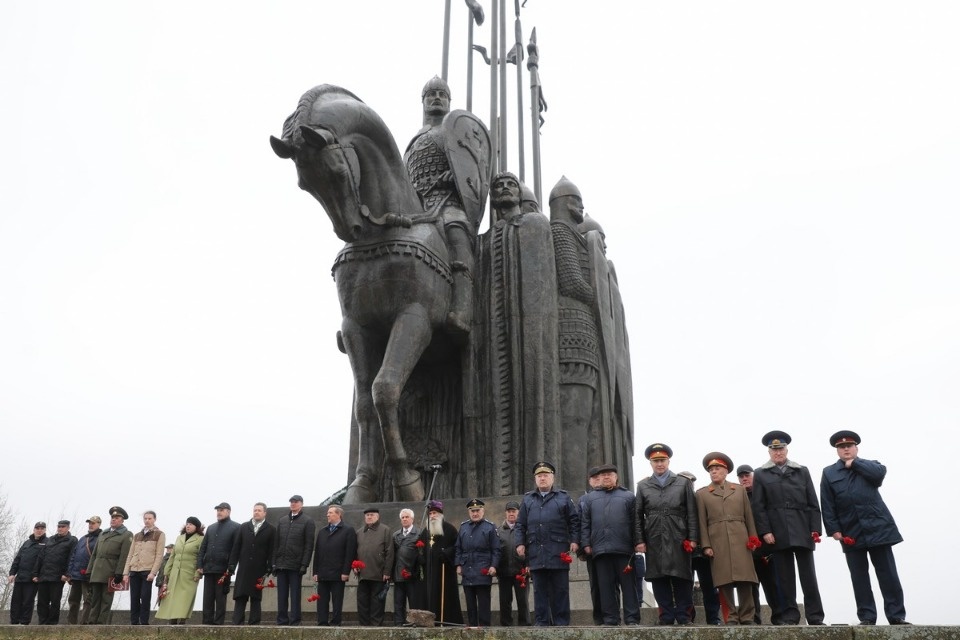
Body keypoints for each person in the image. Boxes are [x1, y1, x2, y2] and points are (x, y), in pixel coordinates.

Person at [473, 171, 561, 494]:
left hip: (528, 329)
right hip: (492, 331)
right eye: (498, 186)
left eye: (511, 184)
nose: (505, 189)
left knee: (530, 394)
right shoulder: (482, 241)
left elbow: (543, 282)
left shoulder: (535, 226)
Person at [404, 75, 485, 336]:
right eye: (431, 94)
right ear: (423, 101)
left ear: (449, 101)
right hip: (417, 206)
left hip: (447, 202)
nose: (436, 98)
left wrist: (458, 176)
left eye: (442, 94)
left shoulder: (454, 133)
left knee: (456, 229)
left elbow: (473, 173)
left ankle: (462, 308)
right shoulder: (413, 142)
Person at [820, 430, 909, 625]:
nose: (846, 449)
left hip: (879, 528)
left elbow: (879, 475)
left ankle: (896, 616)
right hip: (850, 531)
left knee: (888, 575)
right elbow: (827, 503)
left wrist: (856, 464)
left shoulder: (872, 465)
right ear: (837, 451)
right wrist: (833, 529)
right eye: (841, 447)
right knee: (859, 578)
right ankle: (867, 617)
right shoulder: (829, 472)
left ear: (856, 448)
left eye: (849, 446)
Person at [751, 430, 826, 625]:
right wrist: (765, 531)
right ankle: (790, 616)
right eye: (774, 449)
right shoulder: (760, 474)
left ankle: (815, 616)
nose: (778, 453)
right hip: (777, 533)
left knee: (809, 577)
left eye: (781, 448)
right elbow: (758, 507)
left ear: (787, 449)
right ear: (769, 452)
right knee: (784, 579)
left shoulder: (802, 470)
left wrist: (815, 528)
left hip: (802, 529)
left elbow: (813, 503)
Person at [635, 444, 698, 625]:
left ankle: (684, 615)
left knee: (682, 577)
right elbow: (638, 515)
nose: (659, 464)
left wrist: (693, 538)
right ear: (650, 463)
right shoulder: (643, 485)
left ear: (668, 461)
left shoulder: (682, 482)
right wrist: (639, 540)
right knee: (658, 577)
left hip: (679, 536)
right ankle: (666, 616)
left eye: (662, 460)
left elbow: (692, 513)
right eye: (655, 461)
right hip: (654, 537)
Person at [696, 453, 759, 625]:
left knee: (746, 578)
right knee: (723, 580)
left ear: (726, 471)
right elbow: (702, 522)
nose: (713, 472)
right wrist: (706, 545)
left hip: (741, 537)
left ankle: (747, 616)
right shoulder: (702, 494)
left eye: (717, 469)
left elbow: (748, 516)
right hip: (718, 540)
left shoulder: (738, 490)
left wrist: (753, 538)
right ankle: (730, 616)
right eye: (711, 470)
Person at [515, 461, 580, 626]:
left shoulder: (563, 497)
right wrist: (519, 544)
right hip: (536, 551)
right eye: (539, 476)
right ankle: (541, 621)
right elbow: (520, 524)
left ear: (552, 478)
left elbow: (573, 521)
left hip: (558, 551)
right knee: (539, 590)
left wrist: (574, 540)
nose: (542, 478)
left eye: (545, 475)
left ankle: (561, 622)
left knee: (560, 589)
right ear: (535, 479)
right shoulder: (528, 499)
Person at [581, 463, 641, 626]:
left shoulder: (628, 496)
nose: (607, 477)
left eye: (610, 474)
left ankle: (632, 618)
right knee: (605, 587)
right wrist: (586, 543)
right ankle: (610, 618)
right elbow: (585, 522)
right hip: (600, 550)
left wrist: (638, 541)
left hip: (624, 549)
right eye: (604, 475)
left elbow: (636, 522)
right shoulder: (591, 498)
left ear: (616, 477)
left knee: (629, 586)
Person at [677, 471, 722, 625]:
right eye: (684, 482)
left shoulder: (702, 498)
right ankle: (689, 617)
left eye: (690, 482)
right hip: (683, 553)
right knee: (684, 588)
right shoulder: (674, 501)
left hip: (702, 552)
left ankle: (713, 618)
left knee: (709, 587)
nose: (688, 485)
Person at [738, 463, 778, 624]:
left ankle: (779, 616)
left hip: (766, 550)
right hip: (747, 551)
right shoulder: (737, 497)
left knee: (772, 586)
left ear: (753, 476)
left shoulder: (764, 494)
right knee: (750, 587)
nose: (744, 479)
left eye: (747, 475)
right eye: (741, 477)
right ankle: (754, 619)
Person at [228, 502, 276, 625]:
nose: (256, 512)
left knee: (255, 596)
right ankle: (237, 622)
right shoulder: (244, 527)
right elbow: (236, 547)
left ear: (265, 513)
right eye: (255, 510)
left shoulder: (270, 529)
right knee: (240, 595)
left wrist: (270, 565)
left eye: (259, 510)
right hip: (244, 567)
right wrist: (232, 564)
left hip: (259, 568)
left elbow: (272, 550)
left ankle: (254, 623)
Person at [416, 500, 463, 626]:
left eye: (435, 513)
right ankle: (427, 621)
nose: (432, 516)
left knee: (445, 597)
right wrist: (420, 556)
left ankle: (446, 621)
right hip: (429, 572)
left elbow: (457, 547)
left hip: (444, 571)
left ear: (440, 514)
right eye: (430, 513)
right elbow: (419, 547)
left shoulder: (450, 529)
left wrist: (447, 553)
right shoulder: (425, 531)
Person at [455, 499, 501, 627]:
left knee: (483, 603)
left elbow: (496, 550)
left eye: (477, 511)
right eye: (472, 511)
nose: (475, 513)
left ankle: (484, 629)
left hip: (483, 570)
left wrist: (493, 565)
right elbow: (458, 548)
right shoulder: (463, 527)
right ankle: (472, 627)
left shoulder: (490, 527)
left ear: (483, 511)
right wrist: (458, 564)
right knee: (470, 603)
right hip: (467, 570)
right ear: (469, 512)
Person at [272, 494, 316, 626]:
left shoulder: (308, 521)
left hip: (296, 565)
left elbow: (309, 545)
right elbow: (276, 544)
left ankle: (295, 620)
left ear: (301, 504)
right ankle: (282, 620)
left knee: (295, 595)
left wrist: (304, 564)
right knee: (281, 595)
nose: (293, 504)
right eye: (291, 502)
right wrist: (274, 563)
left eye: (296, 502)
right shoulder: (282, 520)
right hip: (281, 564)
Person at [85, 506, 133, 624]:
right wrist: (89, 570)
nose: (113, 519)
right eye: (112, 517)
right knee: (94, 598)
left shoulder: (126, 535)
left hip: (111, 570)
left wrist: (119, 572)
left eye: (117, 518)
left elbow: (124, 555)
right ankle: (92, 621)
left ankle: (101, 622)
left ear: (122, 520)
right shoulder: (103, 534)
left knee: (106, 599)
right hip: (97, 570)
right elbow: (95, 554)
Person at [311, 505, 357, 626]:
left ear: (339, 515)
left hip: (338, 573)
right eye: (327, 513)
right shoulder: (322, 532)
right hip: (323, 573)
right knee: (322, 600)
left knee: (337, 600)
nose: (328, 515)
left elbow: (349, 553)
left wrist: (346, 572)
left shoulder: (348, 530)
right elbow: (317, 553)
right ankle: (322, 621)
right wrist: (315, 572)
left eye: (330, 513)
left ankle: (336, 621)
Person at [197, 501, 241, 625]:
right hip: (209, 567)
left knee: (220, 598)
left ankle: (218, 623)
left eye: (221, 510)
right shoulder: (211, 528)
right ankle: (206, 622)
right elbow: (203, 548)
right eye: (218, 510)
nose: (219, 512)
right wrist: (200, 565)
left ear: (228, 511)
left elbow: (235, 550)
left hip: (223, 569)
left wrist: (231, 567)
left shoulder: (236, 527)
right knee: (208, 598)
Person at [156, 517, 204, 624]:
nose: (188, 526)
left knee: (184, 598)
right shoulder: (179, 538)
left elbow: (201, 556)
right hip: (175, 573)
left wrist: (198, 573)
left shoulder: (200, 539)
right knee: (172, 597)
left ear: (196, 527)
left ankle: (182, 620)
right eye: (187, 524)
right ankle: (172, 620)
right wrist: (166, 572)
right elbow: (173, 555)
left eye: (191, 524)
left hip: (189, 574)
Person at [122, 511, 165, 625]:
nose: (147, 520)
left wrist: (153, 572)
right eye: (145, 518)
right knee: (134, 597)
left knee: (145, 597)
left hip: (147, 570)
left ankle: (144, 622)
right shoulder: (137, 535)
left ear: (154, 519)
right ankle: (134, 622)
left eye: (149, 518)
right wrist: (125, 573)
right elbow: (130, 554)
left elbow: (159, 555)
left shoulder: (159, 534)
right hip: (134, 569)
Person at [354, 507, 394, 626]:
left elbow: (390, 552)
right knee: (362, 601)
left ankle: (376, 627)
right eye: (367, 515)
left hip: (379, 573)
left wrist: (387, 571)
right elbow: (355, 552)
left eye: (371, 515)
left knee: (377, 602)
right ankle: (364, 625)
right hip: (363, 575)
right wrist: (354, 566)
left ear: (377, 516)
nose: (369, 517)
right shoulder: (359, 532)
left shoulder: (385, 530)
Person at [36, 519, 76, 624]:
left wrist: (67, 574)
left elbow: (71, 557)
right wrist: (35, 573)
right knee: (41, 602)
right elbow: (40, 557)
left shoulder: (72, 540)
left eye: (63, 527)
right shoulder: (50, 540)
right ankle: (42, 622)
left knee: (55, 601)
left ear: (68, 528)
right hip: (44, 575)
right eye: (59, 526)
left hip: (58, 576)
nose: (60, 529)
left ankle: (52, 624)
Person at [497, 500, 529, 626]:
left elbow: (529, 549)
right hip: (504, 572)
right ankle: (506, 625)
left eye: (514, 511)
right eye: (509, 511)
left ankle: (525, 624)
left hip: (521, 572)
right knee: (504, 601)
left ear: (518, 513)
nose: (511, 514)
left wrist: (527, 565)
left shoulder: (524, 530)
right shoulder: (498, 531)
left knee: (523, 601)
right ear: (506, 513)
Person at [7, 521, 47, 625]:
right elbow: (18, 559)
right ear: (34, 529)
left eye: (41, 529)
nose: (39, 530)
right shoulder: (26, 543)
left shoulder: (48, 542)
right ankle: (14, 622)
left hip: (32, 579)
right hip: (20, 578)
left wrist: (38, 575)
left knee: (27, 602)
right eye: (37, 528)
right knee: (15, 601)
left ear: (45, 530)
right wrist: (12, 573)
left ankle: (24, 623)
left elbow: (45, 562)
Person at [66, 516, 101, 625]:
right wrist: (69, 573)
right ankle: (71, 623)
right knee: (73, 600)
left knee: (88, 600)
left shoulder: (101, 538)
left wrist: (91, 572)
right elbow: (74, 556)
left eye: (93, 523)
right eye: (90, 523)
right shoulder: (83, 539)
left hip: (88, 575)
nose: (91, 525)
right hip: (76, 575)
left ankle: (84, 623)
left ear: (99, 524)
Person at [392, 508, 421, 626]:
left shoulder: (419, 533)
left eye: (407, 517)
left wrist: (415, 571)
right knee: (398, 601)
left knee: (413, 600)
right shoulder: (395, 535)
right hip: (398, 573)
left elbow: (421, 555)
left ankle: (414, 622)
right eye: (402, 517)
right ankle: (399, 622)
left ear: (412, 519)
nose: (404, 519)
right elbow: (392, 555)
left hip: (412, 573)